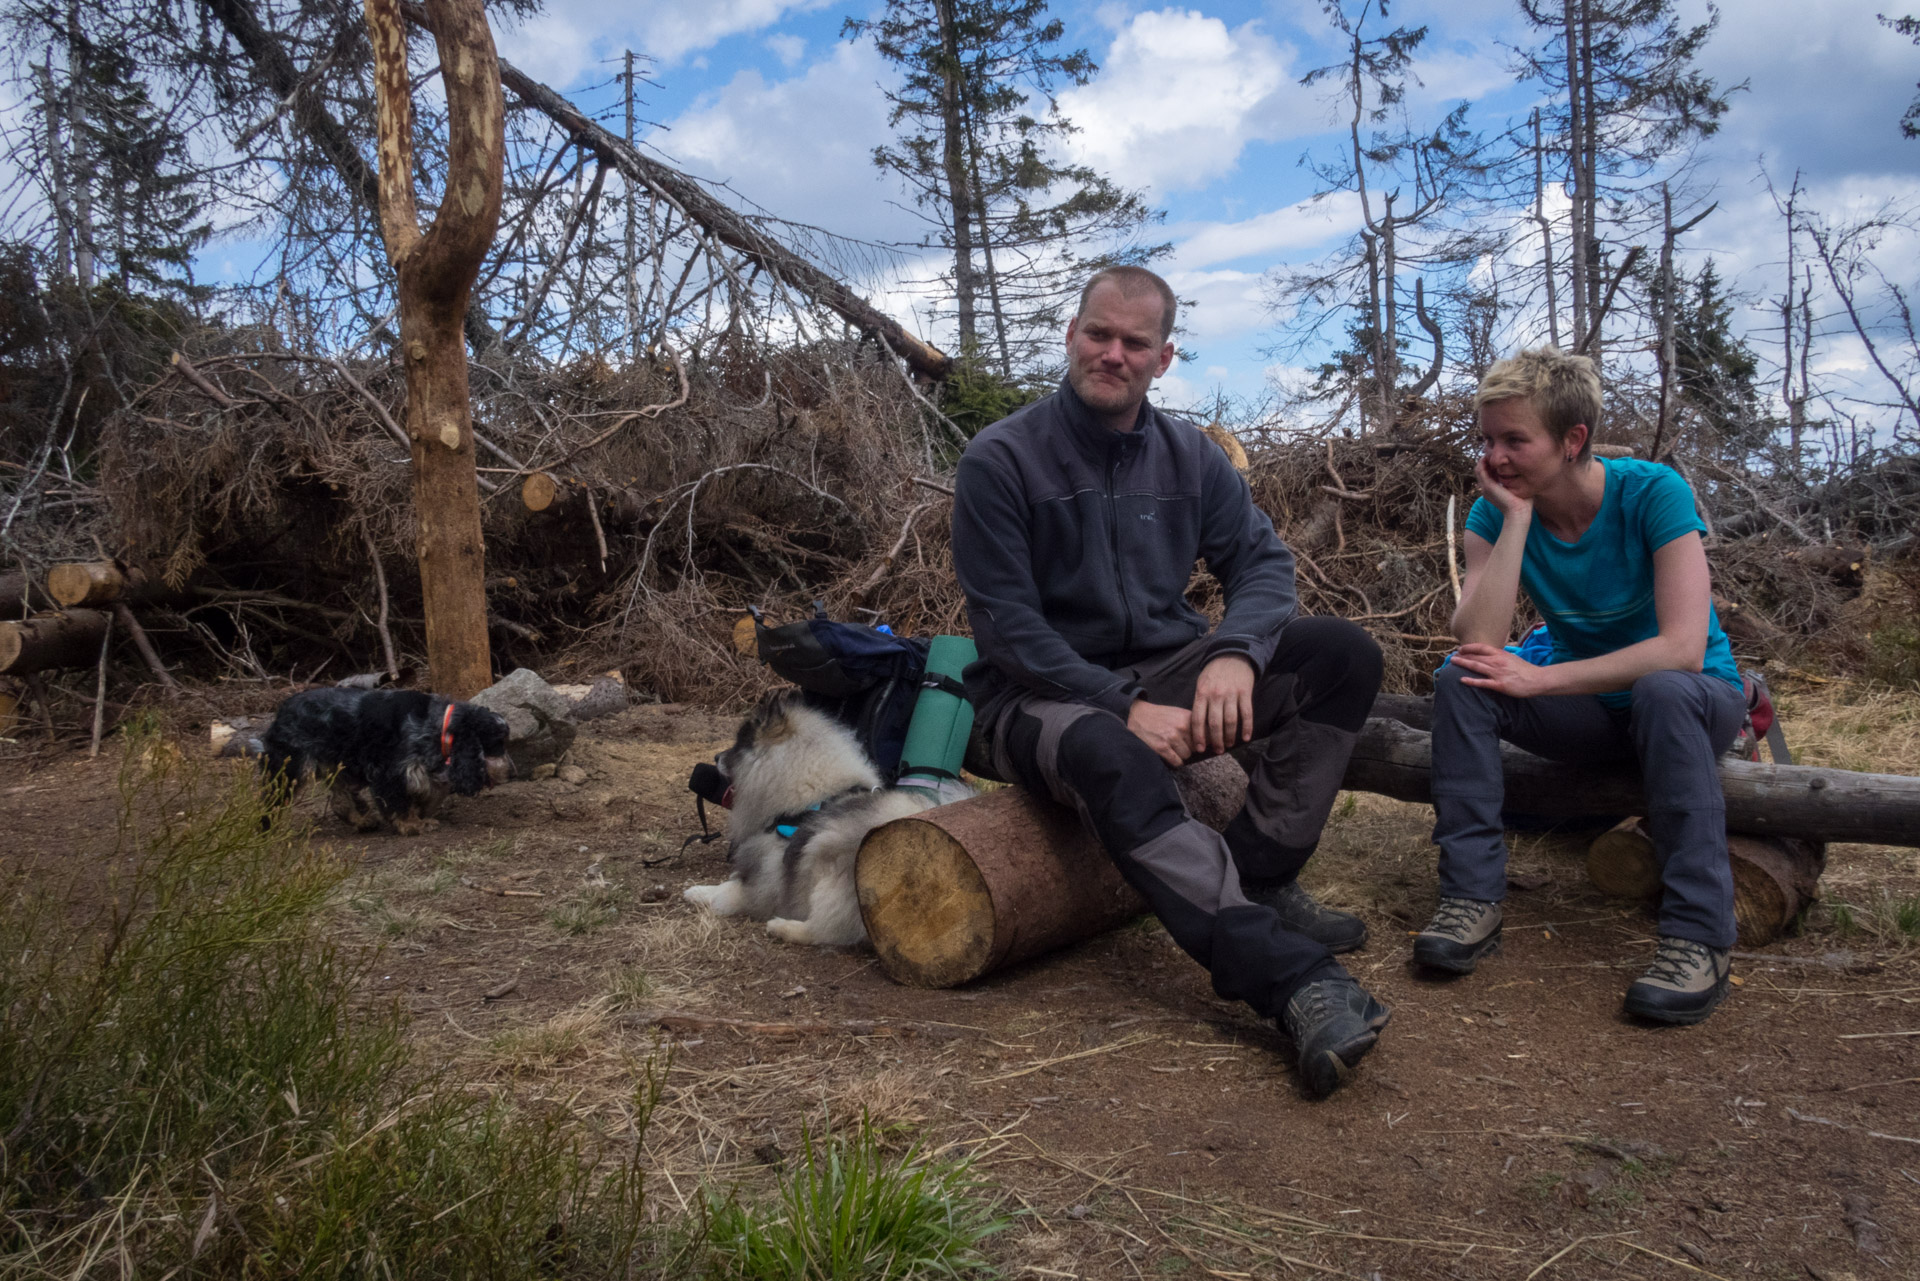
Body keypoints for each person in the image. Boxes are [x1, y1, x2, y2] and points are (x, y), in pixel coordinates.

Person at [950, 266, 1390, 1097]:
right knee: (1109, 749)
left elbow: (1263, 564)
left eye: (1134, 343)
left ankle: (1259, 872)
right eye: (1098, 334)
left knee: (1341, 656)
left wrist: (1236, 651)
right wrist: (1124, 706)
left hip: (1167, 668)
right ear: (1072, 334)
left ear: (1164, 357)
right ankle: (1291, 980)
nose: (1112, 354)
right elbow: (1010, 631)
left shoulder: (1190, 456)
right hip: (1029, 698)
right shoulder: (1001, 459)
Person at [1414, 347, 1746, 1025]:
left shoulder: (1653, 493)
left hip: (1691, 701)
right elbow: (1477, 640)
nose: (1495, 457)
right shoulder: (1497, 512)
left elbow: (1681, 650)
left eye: (1515, 440)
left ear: (1573, 440)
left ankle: (1699, 935)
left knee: (1661, 690)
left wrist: (1542, 679)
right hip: (1592, 712)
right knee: (1463, 679)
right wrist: (1514, 522)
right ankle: (1472, 898)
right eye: (1486, 440)